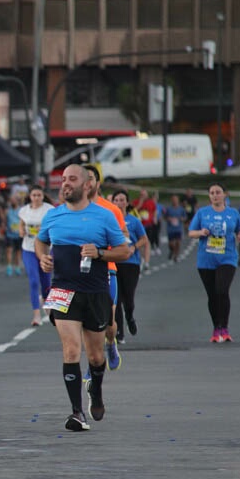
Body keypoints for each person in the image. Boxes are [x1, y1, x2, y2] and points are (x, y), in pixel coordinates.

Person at [35, 165, 129, 432]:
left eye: (71, 179)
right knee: (71, 350)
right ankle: (77, 412)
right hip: (63, 290)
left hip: (95, 292)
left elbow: (123, 250)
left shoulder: (105, 216)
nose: (65, 184)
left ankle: (95, 390)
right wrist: (43, 257)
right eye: (63, 179)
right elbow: (40, 242)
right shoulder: (53, 216)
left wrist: (99, 253)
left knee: (96, 356)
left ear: (87, 185)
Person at [84, 165, 132, 372]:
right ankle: (92, 360)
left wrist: (102, 251)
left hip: (105, 269)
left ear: (97, 183)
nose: (86, 183)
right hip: (78, 272)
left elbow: (123, 239)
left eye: (90, 179)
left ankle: (111, 343)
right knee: (83, 320)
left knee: (108, 322)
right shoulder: (69, 208)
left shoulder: (111, 209)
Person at [188, 183, 240, 343]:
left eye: (218, 192)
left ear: (224, 195)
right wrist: (201, 232)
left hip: (227, 258)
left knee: (222, 290)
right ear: (209, 196)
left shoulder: (233, 213)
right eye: (212, 193)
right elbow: (191, 232)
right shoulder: (202, 213)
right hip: (206, 260)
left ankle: (225, 328)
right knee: (212, 295)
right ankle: (216, 328)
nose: (215, 195)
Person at [110, 190, 148, 344]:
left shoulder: (133, 221)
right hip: (114, 262)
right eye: (116, 200)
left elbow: (144, 238)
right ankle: (119, 332)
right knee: (116, 299)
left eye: (122, 200)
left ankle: (130, 317)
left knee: (129, 298)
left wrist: (134, 248)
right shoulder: (109, 221)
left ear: (127, 202)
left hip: (131, 263)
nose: (119, 203)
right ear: (113, 203)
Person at [18, 185, 53, 326]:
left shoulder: (49, 209)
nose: (37, 198)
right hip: (28, 249)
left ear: (43, 196)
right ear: (30, 196)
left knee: (46, 282)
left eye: (39, 195)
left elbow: (54, 226)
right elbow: (21, 225)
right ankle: (36, 315)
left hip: (45, 250)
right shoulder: (24, 211)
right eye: (34, 195)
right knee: (33, 281)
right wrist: (22, 232)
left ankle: (48, 307)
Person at [162, 194, 188, 261]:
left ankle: (176, 256)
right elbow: (164, 217)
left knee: (178, 243)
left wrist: (181, 219)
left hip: (178, 229)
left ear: (178, 200)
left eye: (176, 199)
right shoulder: (168, 209)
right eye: (173, 200)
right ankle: (172, 250)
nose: (174, 201)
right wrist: (169, 219)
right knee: (171, 244)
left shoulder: (181, 209)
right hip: (170, 229)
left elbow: (185, 217)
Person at [4, 191, 23, 276]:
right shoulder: (8, 211)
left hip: (18, 234)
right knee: (9, 250)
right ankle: (9, 267)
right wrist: (4, 227)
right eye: (11, 200)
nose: (12, 201)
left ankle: (17, 267)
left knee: (18, 252)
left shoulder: (21, 210)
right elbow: (4, 221)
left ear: (17, 201)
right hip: (9, 234)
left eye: (14, 200)